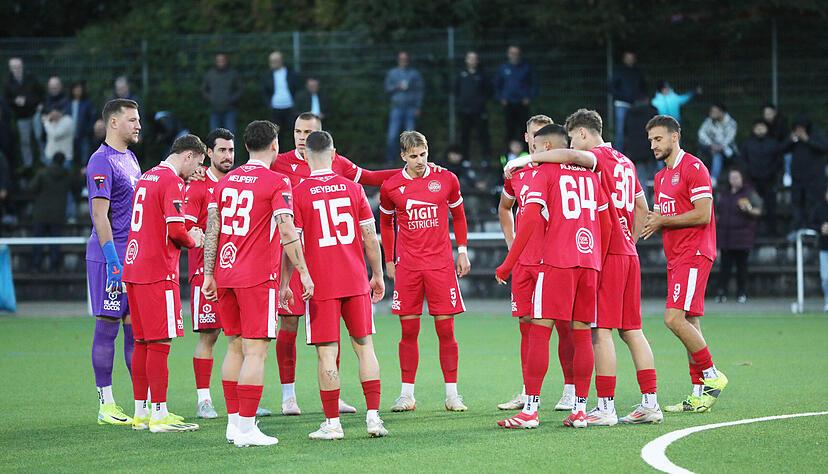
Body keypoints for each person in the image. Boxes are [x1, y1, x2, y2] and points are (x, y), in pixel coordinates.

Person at [505, 109, 662, 425]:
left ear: (583, 134)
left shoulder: (596, 159)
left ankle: (605, 408)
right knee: (632, 330)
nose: (573, 146)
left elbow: (560, 154)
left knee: (599, 332)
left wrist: (525, 160)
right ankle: (650, 403)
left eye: (574, 138)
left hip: (601, 255)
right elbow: (643, 207)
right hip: (628, 254)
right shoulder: (627, 163)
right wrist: (629, 239)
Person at [269, 112, 427, 415]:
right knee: (293, 326)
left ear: (321, 136)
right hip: (332, 267)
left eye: (307, 132)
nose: (301, 137)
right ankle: (289, 395)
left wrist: (409, 168)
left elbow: (368, 176)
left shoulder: (332, 165)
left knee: (329, 341)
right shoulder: (280, 162)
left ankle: (334, 402)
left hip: (311, 265)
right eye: (297, 131)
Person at [202, 120, 314, 447]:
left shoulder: (224, 183)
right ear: (275, 146)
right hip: (256, 278)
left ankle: (234, 425)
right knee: (256, 351)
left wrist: (209, 274)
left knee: (234, 346)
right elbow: (287, 229)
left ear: (246, 146)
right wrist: (302, 271)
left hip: (224, 273)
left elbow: (213, 229)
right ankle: (248, 428)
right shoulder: (278, 181)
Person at [495, 124, 612, 429]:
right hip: (589, 262)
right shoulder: (591, 175)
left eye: (534, 148)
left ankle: (530, 410)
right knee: (582, 333)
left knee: (539, 332)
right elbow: (607, 222)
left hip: (557, 261)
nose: (530, 154)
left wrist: (508, 263)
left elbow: (530, 220)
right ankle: (579, 411)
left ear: (546, 147)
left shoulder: (544, 173)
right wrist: (598, 259)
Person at [289, 130, 388, 440]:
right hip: (355, 279)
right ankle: (373, 419)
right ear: (334, 154)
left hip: (320, 286)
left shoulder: (300, 192)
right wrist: (378, 274)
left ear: (305, 157)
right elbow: (370, 237)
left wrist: (291, 278)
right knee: (365, 347)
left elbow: (292, 241)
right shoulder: (353, 189)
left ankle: (333, 424)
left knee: (326, 355)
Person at [641, 115, 728, 413]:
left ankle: (712, 376)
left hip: (694, 253)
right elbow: (660, 216)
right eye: (651, 140)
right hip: (676, 257)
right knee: (689, 322)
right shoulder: (661, 177)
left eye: (658, 139)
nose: (653, 144)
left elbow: (703, 214)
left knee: (673, 319)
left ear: (675, 137)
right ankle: (698, 393)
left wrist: (664, 221)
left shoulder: (694, 168)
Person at [379, 131, 471, 412]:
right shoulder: (391, 187)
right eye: (414, 156)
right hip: (409, 267)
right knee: (408, 330)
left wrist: (463, 251)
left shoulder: (446, 179)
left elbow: (459, 216)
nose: (420, 161)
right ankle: (407, 395)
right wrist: (389, 259)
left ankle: (452, 395)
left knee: (446, 330)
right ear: (403, 156)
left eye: (424, 155)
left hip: (441, 265)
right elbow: (385, 223)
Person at [183, 128, 270, 419]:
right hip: (206, 274)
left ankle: (244, 402)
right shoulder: (197, 187)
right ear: (208, 153)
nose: (227, 156)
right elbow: (184, 228)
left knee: (244, 338)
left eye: (231, 150)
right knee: (210, 336)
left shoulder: (240, 183)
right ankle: (204, 399)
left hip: (239, 275)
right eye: (221, 150)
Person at [122, 134, 206, 433]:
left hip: (134, 268)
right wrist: (194, 238)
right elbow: (175, 229)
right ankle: (159, 414)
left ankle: (141, 413)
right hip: (157, 271)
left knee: (143, 342)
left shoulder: (146, 177)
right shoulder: (170, 181)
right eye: (198, 162)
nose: (197, 169)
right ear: (188, 156)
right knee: (159, 344)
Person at [497, 122, 578, 414]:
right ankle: (528, 392)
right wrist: (512, 245)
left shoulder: (561, 169)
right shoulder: (516, 172)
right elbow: (505, 207)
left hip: (554, 261)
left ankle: (570, 391)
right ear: (528, 136)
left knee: (564, 327)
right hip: (524, 263)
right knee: (527, 329)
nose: (539, 137)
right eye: (535, 131)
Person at [85, 98, 143, 425]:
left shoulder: (131, 158)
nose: (138, 125)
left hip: (131, 255)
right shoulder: (100, 160)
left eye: (139, 120)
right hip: (110, 257)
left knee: (137, 332)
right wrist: (113, 263)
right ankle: (106, 404)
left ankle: (142, 404)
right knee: (107, 329)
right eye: (132, 120)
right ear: (114, 123)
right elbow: (98, 214)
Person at [715, 168, 762, 303]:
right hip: (726, 237)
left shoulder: (749, 193)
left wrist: (749, 210)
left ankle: (742, 293)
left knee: (742, 267)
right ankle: (721, 292)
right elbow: (718, 212)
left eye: (737, 177)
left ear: (742, 178)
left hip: (742, 237)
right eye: (732, 178)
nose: (734, 180)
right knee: (725, 267)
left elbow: (759, 210)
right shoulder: (724, 194)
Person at [783, 115, 827, 232]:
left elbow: (824, 147)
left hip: (814, 179)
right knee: (797, 204)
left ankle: (813, 228)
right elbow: (782, 149)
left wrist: (807, 140)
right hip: (797, 178)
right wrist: (791, 140)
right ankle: (797, 228)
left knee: (813, 203)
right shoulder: (794, 138)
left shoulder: (816, 135)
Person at [29, 152, 73, 271]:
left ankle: (36, 266)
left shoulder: (42, 173)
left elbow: (32, 188)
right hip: (58, 214)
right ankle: (54, 267)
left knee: (38, 242)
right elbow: (77, 187)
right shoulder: (67, 175)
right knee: (55, 243)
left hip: (40, 213)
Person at [741, 119, 782, 236]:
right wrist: (750, 172)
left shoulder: (773, 143)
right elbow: (743, 160)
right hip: (753, 181)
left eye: (762, 127)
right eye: (757, 127)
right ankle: (753, 232)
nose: (759, 130)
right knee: (753, 206)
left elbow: (778, 161)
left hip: (770, 180)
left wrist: (770, 172)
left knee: (771, 207)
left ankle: (772, 232)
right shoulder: (748, 144)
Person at [384, 51, 424, 162]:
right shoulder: (392, 73)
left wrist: (418, 107)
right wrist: (397, 86)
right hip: (396, 108)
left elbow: (419, 91)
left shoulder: (414, 74)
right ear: (398, 59)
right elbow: (387, 89)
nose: (403, 60)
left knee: (411, 138)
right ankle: (390, 160)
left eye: (405, 58)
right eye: (401, 58)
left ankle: (411, 160)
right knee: (392, 135)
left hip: (410, 108)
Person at [5, 57, 43, 168]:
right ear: (10, 69)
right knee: (25, 141)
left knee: (39, 137)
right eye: (14, 67)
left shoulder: (31, 78)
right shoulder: (8, 83)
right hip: (21, 116)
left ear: (22, 67)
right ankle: (28, 164)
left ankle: (45, 159)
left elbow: (41, 92)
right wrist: (14, 101)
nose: (16, 69)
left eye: (18, 66)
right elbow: (7, 100)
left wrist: (38, 103)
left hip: (35, 112)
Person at [494, 46, 536, 147]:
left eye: (516, 53)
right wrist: (501, 98)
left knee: (524, 129)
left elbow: (534, 84)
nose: (514, 56)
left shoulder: (526, 67)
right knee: (509, 129)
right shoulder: (503, 68)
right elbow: (497, 85)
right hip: (508, 104)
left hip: (522, 104)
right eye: (512, 53)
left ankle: (526, 153)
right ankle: (509, 154)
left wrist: (529, 97)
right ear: (508, 55)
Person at [455, 51, 492, 161]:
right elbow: (456, 90)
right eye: (470, 58)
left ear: (477, 60)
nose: (472, 60)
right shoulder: (461, 74)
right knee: (464, 136)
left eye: (474, 58)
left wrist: (480, 103)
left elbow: (488, 91)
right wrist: (461, 102)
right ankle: (465, 159)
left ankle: (485, 159)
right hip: (464, 111)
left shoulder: (483, 74)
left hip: (479, 111)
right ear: (466, 60)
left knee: (483, 135)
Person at [611, 52, 647, 153]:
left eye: (631, 58)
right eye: (628, 58)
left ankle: (634, 155)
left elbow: (643, 87)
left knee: (634, 131)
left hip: (635, 105)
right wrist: (624, 97)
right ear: (624, 59)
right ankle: (618, 155)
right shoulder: (619, 71)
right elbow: (612, 88)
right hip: (621, 104)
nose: (630, 60)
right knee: (620, 132)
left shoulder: (637, 72)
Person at [263, 51, 300, 147]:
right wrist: (269, 104)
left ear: (281, 61)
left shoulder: (291, 73)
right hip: (275, 108)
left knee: (295, 132)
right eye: (271, 61)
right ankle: (278, 157)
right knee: (276, 135)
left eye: (274, 61)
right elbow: (265, 91)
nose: (271, 63)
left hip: (290, 107)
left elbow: (297, 88)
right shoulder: (268, 75)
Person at [698, 103, 738, 186]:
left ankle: (713, 178)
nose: (711, 113)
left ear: (722, 112)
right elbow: (701, 133)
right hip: (712, 147)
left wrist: (720, 146)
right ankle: (713, 178)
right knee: (701, 142)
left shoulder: (731, 123)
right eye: (711, 111)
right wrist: (711, 144)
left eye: (714, 111)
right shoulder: (709, 121)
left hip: (726, 149)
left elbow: (730, 138)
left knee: (717, 154)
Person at [624, 97, 660, 187]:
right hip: (651, 149)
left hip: (635, 151)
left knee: (640, 178)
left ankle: (644, 199)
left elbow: (625, 131)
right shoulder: (652, 111)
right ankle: (659, 197)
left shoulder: (629, 112)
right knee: (657, 175)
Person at [202, 53, 243, 133]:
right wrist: (211, 99)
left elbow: (240, 89)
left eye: (222, 60)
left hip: (229, 109)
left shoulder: (233, 73)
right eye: (218, 60)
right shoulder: (210, 74)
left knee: (231, 134)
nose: (221, 62)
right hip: (214, 110)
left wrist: (231, 99)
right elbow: (204, 89)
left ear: (227, 61)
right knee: (214, 134)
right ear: (215, 61)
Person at [69, 81, 97, 165]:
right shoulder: (67, 103)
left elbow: (92, 118)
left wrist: (88, 130)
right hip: (69, 135)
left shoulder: (87, 103)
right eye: (75, 89)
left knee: (85, 157)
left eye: (79, 89)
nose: (77, 91)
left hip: (84, 135)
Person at [811, 187, 828, 312]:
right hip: (825, 248)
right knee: (826, 278)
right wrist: (821, 229)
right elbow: (812, 223)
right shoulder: (819, 208)